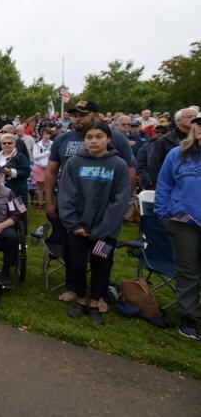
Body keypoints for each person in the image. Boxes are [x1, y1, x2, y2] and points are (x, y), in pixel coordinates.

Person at [45, 100, 135, 310]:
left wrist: (114, 218)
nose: (77, 118)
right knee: (72, 256)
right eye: (75, 115)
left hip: (105, 219)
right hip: (73, 214)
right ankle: (75, 290)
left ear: (96, 116)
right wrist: (51, 202)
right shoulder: (64, 140)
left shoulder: (118, 143)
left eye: (82, 115)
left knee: (101, 259)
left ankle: (98, 295)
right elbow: (52, 172)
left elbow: (128, 176)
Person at [57, 122, 131, 325]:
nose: (94, 141)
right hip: (78, 229)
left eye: (99, 136)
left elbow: (120, 200)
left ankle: (95, 303)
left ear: (108, 139)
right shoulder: (73, 163)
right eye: (89, 137)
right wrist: (74, 224)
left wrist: (102, 229)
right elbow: (65, 196)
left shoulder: (118, 165)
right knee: (78, 266)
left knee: (101, 266)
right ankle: (81, 301)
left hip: (105, 232)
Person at [154, 112, 201, 339]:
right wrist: (164, 215)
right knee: (188, 270)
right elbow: (163, 186)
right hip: (183, 221)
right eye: (198, 124)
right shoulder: (178, 154)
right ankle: (188, 316)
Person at [148, 107, 197, 186]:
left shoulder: (198, 139)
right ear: (178, 121)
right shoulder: (163, 141)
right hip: (174, 186)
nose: (193, 119)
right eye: (189, 116)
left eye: (195, 116)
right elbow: (154, 168)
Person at [0, 133, 31, 231]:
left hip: (17, 190)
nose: (6, 145)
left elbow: (26, 172)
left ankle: (22, 234)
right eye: (4, 143)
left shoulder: (20, 157)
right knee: (4, 211)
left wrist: (10, 172)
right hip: (0, 190)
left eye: (9, 143)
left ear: (14, 144)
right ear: (1, 144)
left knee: (20, 210)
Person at [136, 118, 170, 189]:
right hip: (152, 183)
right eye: (157, 132)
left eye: (163, 132)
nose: (160, 134)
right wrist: (148, 178)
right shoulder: (145, 147)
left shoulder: (173, 146)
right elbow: (140, 164)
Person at [32, 128, 53, 209]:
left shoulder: (53, 144)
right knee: (40, 187)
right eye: (45, 134)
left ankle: (49, 204)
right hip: (39, 168)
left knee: (49, 187)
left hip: (50, 168)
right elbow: (35, 157)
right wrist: (46, 153)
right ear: (42, 134)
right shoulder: (37, 145)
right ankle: (40, 204)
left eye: (48, 134)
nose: (46, 136)